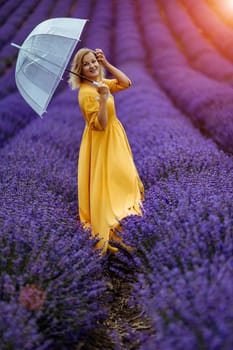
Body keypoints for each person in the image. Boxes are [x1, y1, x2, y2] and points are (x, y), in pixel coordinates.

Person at [68, 48, 144, 254]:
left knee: (125, 181)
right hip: (102, 143)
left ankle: (128, 232)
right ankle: (115, 237)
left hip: (115, 138)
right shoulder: (86, 93)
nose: (92, 66)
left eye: (94, 61)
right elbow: (100, 125)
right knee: (114, 185)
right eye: (87, 64)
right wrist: (102, 99)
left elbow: (126, 83)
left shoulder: (98, 84)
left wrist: (107, 64)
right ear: (79, 69)